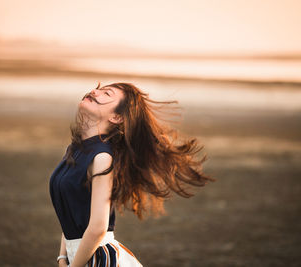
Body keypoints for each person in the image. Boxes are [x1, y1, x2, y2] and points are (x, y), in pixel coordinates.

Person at [49, 82, 215, 267]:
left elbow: (97, 228)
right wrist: (62, 257)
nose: (94, 91)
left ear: (117, 116)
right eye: (98, 89)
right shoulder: (73, 150)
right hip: (77, 257)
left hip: (98, 259)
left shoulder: (102, 157)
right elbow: (72, 211)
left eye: (106, 94)